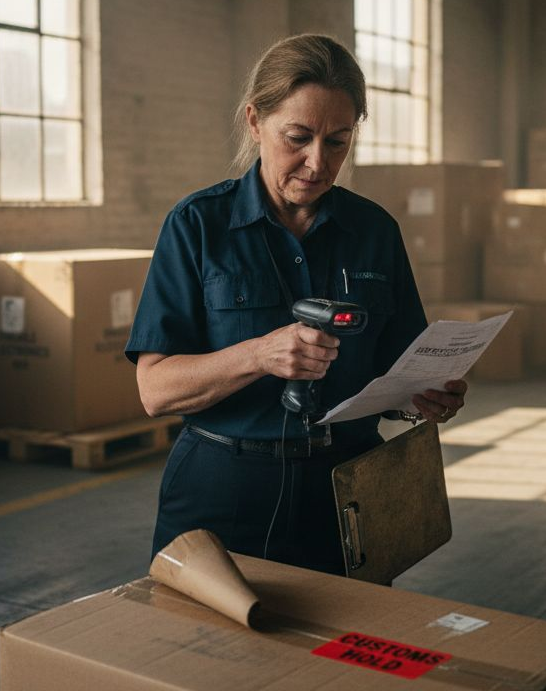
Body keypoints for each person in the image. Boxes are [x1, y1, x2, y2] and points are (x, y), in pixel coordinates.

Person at [125, 34, 467, 575]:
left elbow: (402, 365)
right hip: (222, 492)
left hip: (348, 492)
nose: (316, 162)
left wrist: (427, 394)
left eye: (338, 141)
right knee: (207, 654)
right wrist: (258, 354)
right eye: (298, 137)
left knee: (342, 655)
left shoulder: (374, 231)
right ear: (254, 121)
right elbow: (155, 390)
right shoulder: (198, 227)